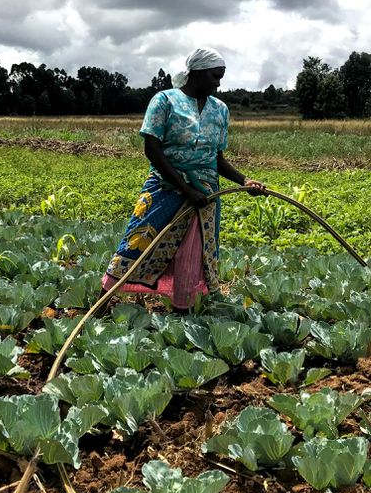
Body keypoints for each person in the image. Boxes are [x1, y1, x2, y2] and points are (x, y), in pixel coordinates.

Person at [102, 48, 265, 309]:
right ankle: (103, 300)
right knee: (138, 241)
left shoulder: (220, 110)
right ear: (197, 73)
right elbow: (152, 149)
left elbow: (217, 159)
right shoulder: (165, 100)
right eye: (215, 76)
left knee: (193, 253)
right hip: (166, 187)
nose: (219, 83)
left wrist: (244, 181)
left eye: (220, 77)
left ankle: (182, 310)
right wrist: (185, 188)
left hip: (205, 194)